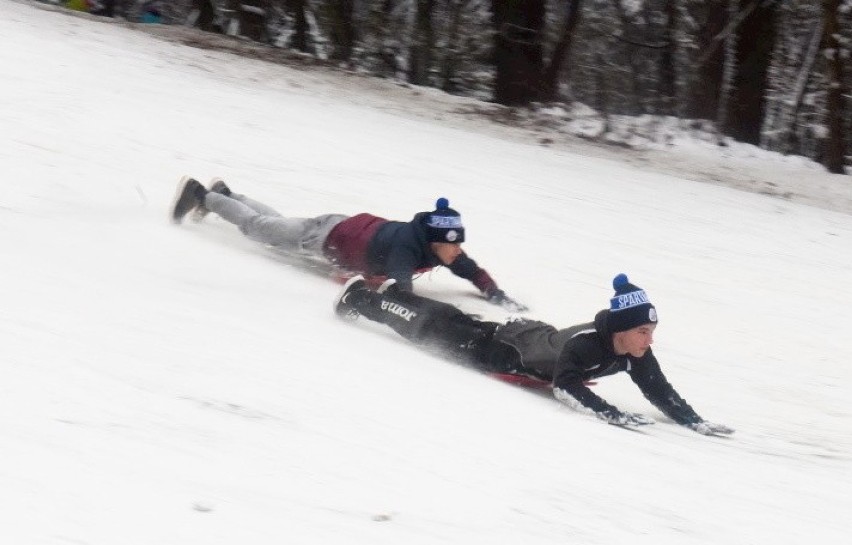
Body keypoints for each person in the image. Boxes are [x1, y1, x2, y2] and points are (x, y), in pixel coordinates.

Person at [334, 272, 734, 435]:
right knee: (426, 329)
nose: (650, 340)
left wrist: (694, 421)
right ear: (623, 330)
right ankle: (361, 298)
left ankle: (392, 294)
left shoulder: (634, 352)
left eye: (652, 331)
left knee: (446, 320)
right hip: (497, 351)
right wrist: (613, 414)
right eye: (644, 331)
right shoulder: (588, 344)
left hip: (529, 337)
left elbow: (658, 389)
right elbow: (567, 386)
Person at [170, 176, 526, 311]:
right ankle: (201, 195)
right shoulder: (407, 247)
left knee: (276, 224)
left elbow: (471, 270)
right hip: (329, 237)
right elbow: (399, 291)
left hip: (345, 227)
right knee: (259, 228)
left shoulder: (439, 246)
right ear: (436, 243)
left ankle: (226, 194)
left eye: (458, 247)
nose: (457, 252)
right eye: (453, 247)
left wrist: (494, 293)